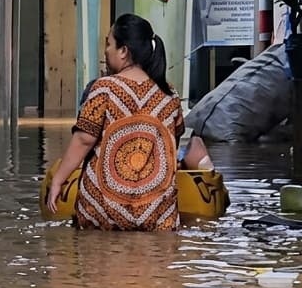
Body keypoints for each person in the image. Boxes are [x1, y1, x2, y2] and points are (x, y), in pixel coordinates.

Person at [48, 14, 212, 230]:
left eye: (109, 44)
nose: (106, 50)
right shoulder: (169, 94)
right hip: (157, 213)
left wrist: (58, 180)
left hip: (103, 210)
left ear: (124, 51)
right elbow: (174, 139)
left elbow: (84, 140)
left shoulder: (104, 88)